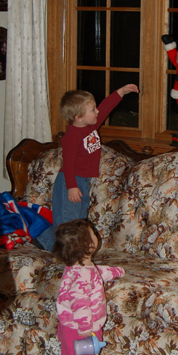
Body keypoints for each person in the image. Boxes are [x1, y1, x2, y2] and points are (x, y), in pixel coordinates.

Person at [36, 83, 139, 250]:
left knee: (79, 221)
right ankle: (47, 242)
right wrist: (71, 186)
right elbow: (67, 164)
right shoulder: (71, 137)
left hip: (84, 182)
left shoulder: (90, 127)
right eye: (92, 110)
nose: (97, 111)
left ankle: (67, 251)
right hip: (70, 182)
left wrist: (121, 92)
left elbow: (105, 107)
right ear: (78, 117)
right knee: (68, 225)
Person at [54, 218, 125, 355]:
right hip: (84, 330)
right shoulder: (83, 275)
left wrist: (114, 272)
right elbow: (80, 302)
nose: (96, 233)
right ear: (89, 245)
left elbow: (96, 274)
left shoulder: (77, 268)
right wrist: (87, 330)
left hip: (67, 328)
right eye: (92, 232)